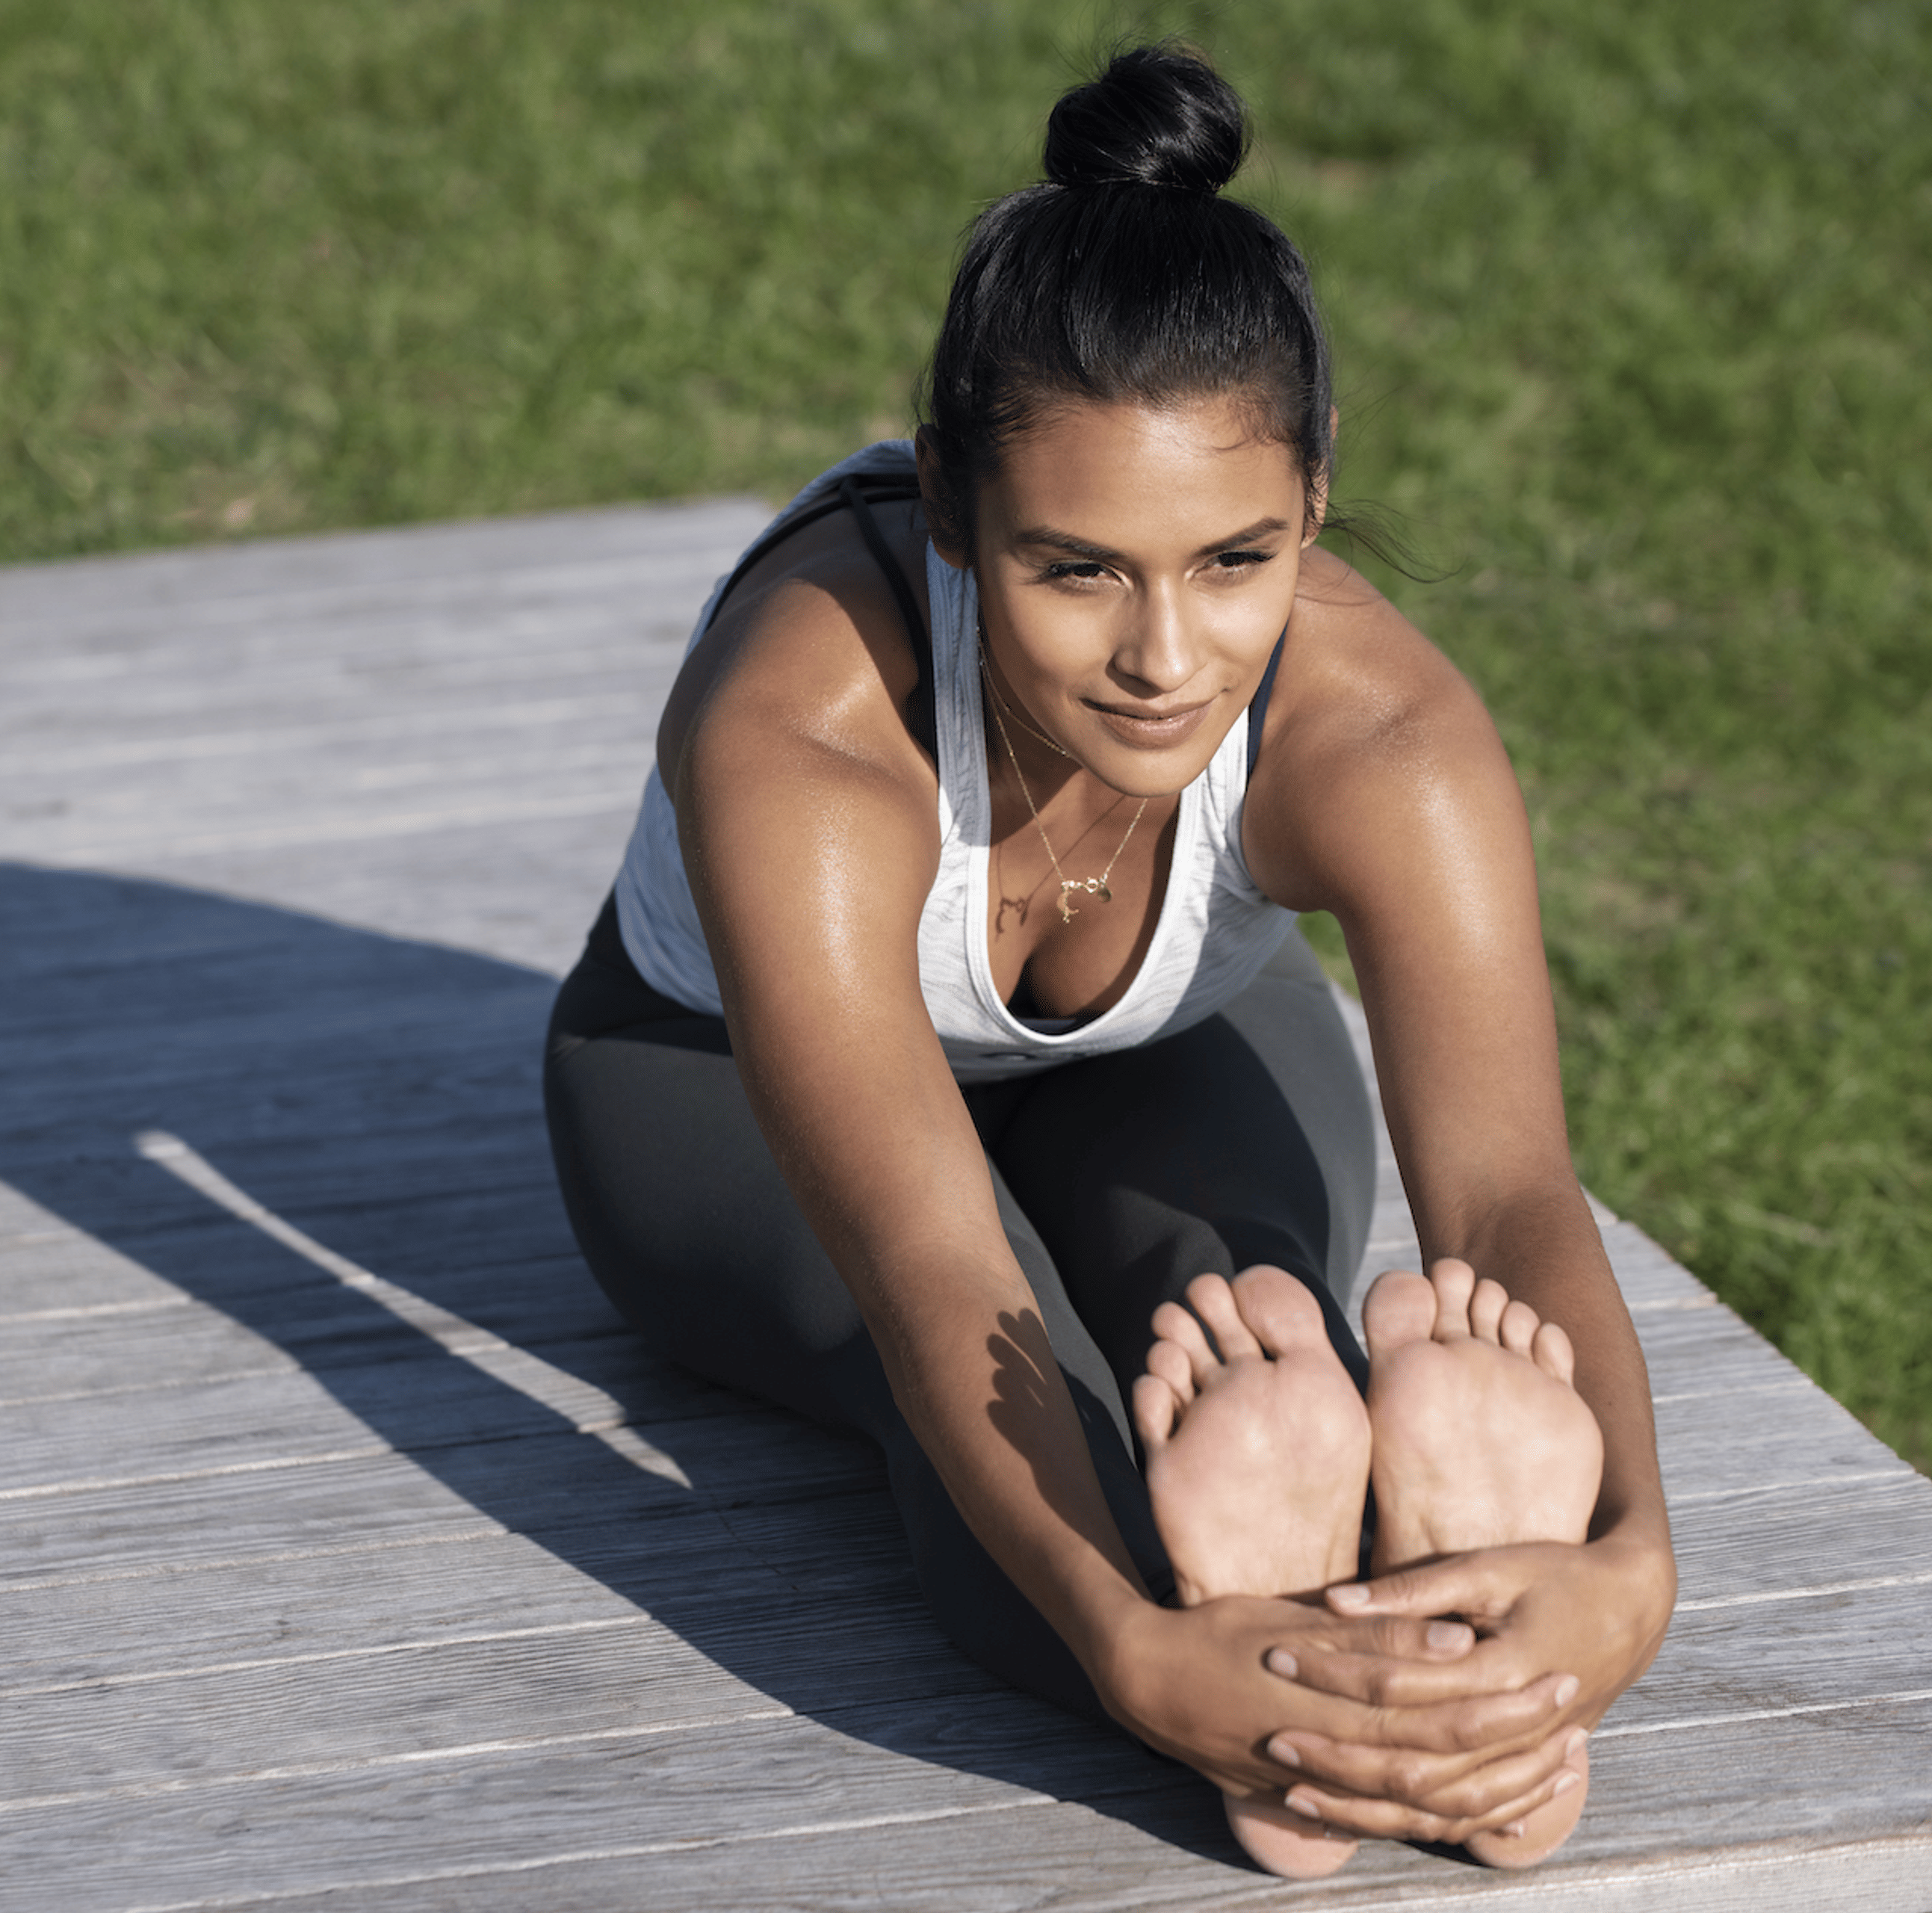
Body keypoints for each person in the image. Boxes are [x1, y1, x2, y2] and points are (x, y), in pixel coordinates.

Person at [542, 42, 1675, 1877]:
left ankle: (1349, 1577)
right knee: (1023, 1408)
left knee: (1241, 1338)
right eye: (1077, 570)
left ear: (1316, 492)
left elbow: (1509, 1192)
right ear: (950, 508)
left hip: (1172, 1041)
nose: (1166, 657)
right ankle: (1384, 1685)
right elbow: (930, 1265)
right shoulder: (807, 729)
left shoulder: (1386, 734)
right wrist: (1131, 1650)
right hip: (706, 1082)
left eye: (1233, 560)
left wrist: (1636, 1561)